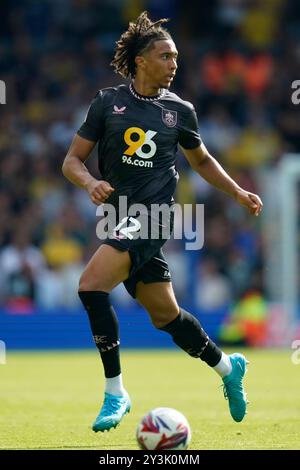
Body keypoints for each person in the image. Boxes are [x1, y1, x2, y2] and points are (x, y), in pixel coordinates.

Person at [62, 11, 263, 432]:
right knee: (166, 316)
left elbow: (202, 161)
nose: (174, 64)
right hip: (119, 217)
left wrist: (238, 192)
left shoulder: (180, 111)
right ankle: (229, 368)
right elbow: (72, 161)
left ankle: (115, 392)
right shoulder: (107, 103)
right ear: (140, 60)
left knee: (90, 285)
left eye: (176, 57)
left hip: (154, 216)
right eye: (166, 56)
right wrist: (88, 182)